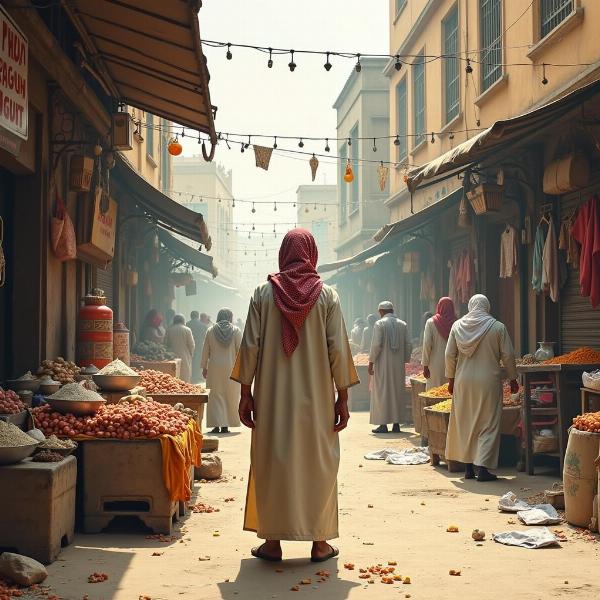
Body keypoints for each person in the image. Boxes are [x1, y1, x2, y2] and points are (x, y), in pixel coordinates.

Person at [231, 228, 359, 563]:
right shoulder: (327, 296)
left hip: (272, 400)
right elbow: (338, 351)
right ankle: (319, 542)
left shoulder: (263, 294)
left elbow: (250, 346)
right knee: (318, 463)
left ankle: (273, 542)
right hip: (316, 401)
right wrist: (342, 399)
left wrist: (246, 393)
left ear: (284, 254)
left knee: (273, 462)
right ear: (312, 254)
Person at [445, 294, 518, 482]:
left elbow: (449, 355)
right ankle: (483, 468)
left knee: (466, 422)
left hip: (463, 381)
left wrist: (451, 380)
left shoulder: (457, 326)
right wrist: (513, 378)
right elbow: (508, 355)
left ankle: (468, 467)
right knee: (488, 423)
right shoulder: (497, 327)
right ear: (487, 307)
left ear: (470, 306)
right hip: (488, 381)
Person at [368, 301, 412, 434]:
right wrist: (404, 359)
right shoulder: (402, 324)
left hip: (382, 364)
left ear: (381, 311)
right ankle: (396, 424)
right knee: (397, 392)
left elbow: (376, 345)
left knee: (383, 392)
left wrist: (371, 362)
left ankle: (383, 424)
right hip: (397, 365)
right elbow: (408, 344)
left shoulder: (379, 324)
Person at [202, 308, 242, 434]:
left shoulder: (210, 330)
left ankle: (216, 425)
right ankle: (226, 425)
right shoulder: (236, 331)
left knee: (215, 395)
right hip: (231, 367)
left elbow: (205, 351)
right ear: (230, 317)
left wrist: (204, 367)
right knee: (230, 394)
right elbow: (240, 351)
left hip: (214, 367)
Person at [422, 298, 456, 390]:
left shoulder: (431, 322)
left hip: (435, 364)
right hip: (453, 364)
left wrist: (425, 365)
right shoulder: (457, 323)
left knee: (434, 391)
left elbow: (427, 345)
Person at [165, 314, 195, 383]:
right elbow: (191, 345)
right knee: (184, 376)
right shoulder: (187, 330)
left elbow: (165, 344)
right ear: (183, 321)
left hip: (171, 356)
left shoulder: (169, 329)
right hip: (184, 356)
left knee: (173, 376)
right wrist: (191, 355)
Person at [187, 311, 210, 383]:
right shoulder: (203, 325)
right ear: (198, 316)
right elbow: (206, 337)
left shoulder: (187, 324)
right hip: (200, 346)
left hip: (189, 346)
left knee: (191, 362)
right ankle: (196, 378)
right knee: (198, 362)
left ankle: (191, 377)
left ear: (191, 316)